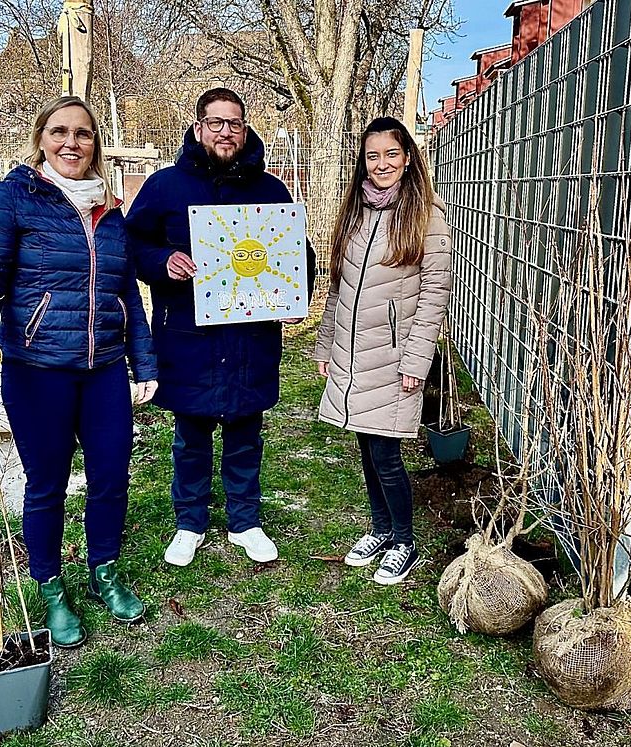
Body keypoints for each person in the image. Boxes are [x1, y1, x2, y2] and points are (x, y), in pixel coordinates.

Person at [0, 95, 157, 648]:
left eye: (83, 133)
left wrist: (144, 360)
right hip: (38, 369)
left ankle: (104, 570)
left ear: (95, 144)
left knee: (112, 476)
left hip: (104, 372)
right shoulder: (13, 198)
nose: (72, 142)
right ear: (41, 138)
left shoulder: (111, 211)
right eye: (60, 131)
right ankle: (49, 586)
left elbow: (127, 295)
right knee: (46, 484)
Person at [126, 87, 315, 567]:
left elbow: (298, 252)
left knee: (246, 433)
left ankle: (245, 521)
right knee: (190, 435)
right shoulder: (165, 186)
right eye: (216, 123)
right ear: (197, 127)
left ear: (245, 128)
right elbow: (130, 244)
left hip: (249, 338)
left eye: (234, 123)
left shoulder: (269, 190)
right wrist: (162, 260)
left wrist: (296, 293)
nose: (226, 132)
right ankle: (189, 523)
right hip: (188, 334)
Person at [313, 116, 453, 585]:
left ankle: (404, 541)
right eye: (373, 156)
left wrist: (417, 360)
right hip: (352, 352)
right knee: (366, 448)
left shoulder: (426, 214)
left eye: (391, 154)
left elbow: (435, 290)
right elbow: (339, 283)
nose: (381, 164)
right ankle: (380, 530)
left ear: (408, 158)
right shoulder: (356, 209)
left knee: (386, 453)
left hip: (394, 358)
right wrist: (327, 342)